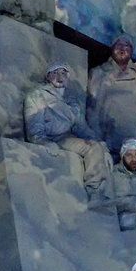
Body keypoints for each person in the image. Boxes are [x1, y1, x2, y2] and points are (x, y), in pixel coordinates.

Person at [24, 62, 112, 203]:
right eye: (55, 73)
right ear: (48, 77)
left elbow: (81, 128)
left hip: (66, 138)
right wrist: (44, 142)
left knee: (95, 147)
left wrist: (100, 143)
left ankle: (96, 191)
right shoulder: (37, 96)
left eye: (63, 73)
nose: (59, 76)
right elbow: (34, 128)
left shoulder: (71, 101)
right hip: (51, 138)